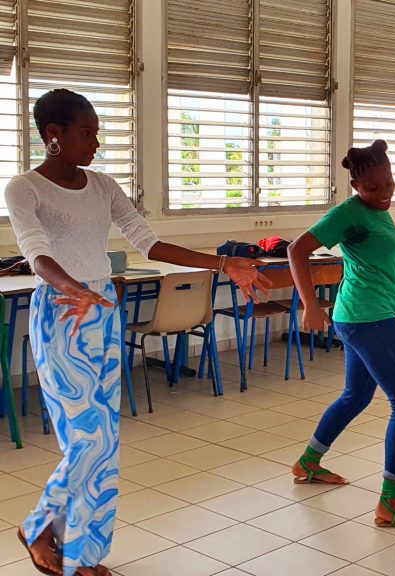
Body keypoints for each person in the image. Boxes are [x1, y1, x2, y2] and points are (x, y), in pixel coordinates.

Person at [7, 88, 270, 576]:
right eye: (87, 132)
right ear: (54, 134)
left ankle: (83, 554)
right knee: (86, 441)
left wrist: (223, 263)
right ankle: (38, 526)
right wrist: (72, 287)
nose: (97, 142)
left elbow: (149, 243)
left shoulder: (104, 186)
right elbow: (36, 252)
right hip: (62, 314)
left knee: (105, 442)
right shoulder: (25, 188)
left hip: (102, 313)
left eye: (97, 132)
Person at [287, 140, 395, 528]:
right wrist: (310, 304)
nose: (384, 193)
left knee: (356, 395)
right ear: (355, 185)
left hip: (364, 315)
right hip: (368, 319)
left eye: (389, 184)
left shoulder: (376, 210)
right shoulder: (348, 213)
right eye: (373, 188)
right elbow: (296, 250)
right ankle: (391, 501)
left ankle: (308, 462)